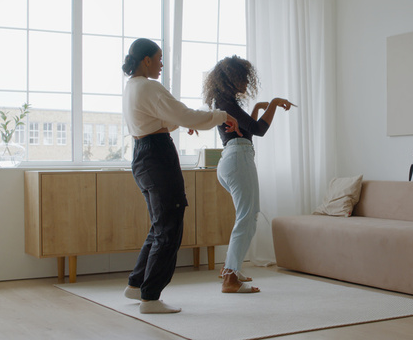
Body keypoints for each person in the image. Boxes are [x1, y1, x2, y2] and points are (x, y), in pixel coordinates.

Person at [121, 38, 241, 313]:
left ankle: (137, 285)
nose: (162, 63)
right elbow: (184, 114)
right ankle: (150, 298)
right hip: (157, 156)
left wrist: (180, 122)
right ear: (146, 60)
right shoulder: (149, 86)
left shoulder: (132, 88)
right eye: (159, 58)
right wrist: (222, 116)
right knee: (170, 227)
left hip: (142, 156)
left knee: (159, 225)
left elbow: (162, 117)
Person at [202, 55, 295, 293]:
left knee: (247, 217)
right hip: (239, 160)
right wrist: (273, 103)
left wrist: (256, 108)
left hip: (231, 160)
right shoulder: (228, 105)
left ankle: (230, 269)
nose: (245, 82)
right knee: (246, 218)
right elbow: (259, 130)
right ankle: (230, 278)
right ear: (231, 79)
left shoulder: (224, 102)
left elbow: (246, 132)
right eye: (242, 78)